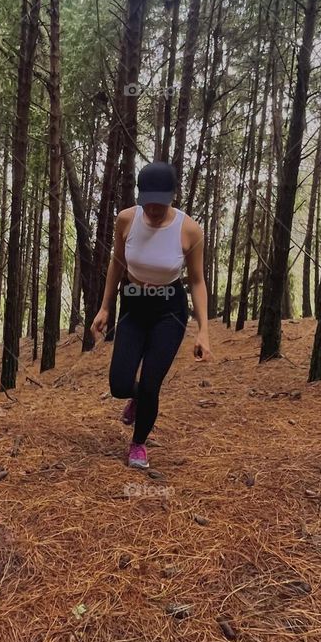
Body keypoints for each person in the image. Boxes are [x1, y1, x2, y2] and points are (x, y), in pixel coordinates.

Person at [91, 161, 211, 469]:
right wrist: (105, 307)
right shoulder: (126, 220)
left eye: (160, 204)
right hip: (133, 303)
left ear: (172, 196)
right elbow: (117, 263)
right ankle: (137, 399)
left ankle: (138, 443)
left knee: (150, 385)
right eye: (148, 203)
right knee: (119, 384)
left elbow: (197, 281)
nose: (153, 210)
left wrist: (203, 331)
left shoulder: (189, 230)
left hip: (168, 309)